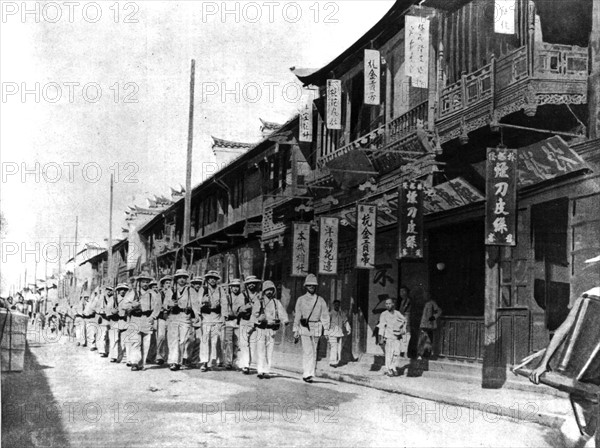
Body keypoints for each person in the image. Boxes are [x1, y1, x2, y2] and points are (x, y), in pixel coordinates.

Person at [529, 288, 600, 444]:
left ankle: (585, 437)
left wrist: (543, 364)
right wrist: (543, 363)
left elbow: (562, 331)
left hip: (579, 372)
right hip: (587, 376)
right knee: (589, 419)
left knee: (588, 417)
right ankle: (586, 437)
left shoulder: (587, 297)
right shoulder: (588, 297)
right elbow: (563, 330)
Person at [293, 274, 330, 383]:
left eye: (313, 285)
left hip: (317, 326)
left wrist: (326, 329)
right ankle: (306, 373)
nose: (311, 287)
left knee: (314, 351)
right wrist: (296, 330)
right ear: (306, 286)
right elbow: (297, 316)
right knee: (307, 351)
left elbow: (325, 315)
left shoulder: (320, 300)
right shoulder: (300, 299)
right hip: (305, 327)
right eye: (309, 285)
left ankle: (310, 373)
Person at [123, 274, 161, 371]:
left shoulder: (153, 293)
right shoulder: (133, 292)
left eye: (147, 282)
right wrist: (132, 305)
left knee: (146, 342)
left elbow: (157, 306)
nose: (145, 284)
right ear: (139, 282)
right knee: (136, 341)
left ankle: (142, 363)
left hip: (147, 318)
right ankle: (135, 362)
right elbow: (124, 304)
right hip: (136, 318)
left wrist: (153, 317)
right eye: (143, 281)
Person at [252, 280, 288, 379]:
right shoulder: (259, 301)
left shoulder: (276, 302)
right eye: (267, 290)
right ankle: (260, 370)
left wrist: (285, 320)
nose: (269, 292)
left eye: (271, 290)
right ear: (263, 291)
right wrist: (259, 318)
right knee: (261, 350)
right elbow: (254, 315)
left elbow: (282, 313)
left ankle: (266, 370)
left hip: (271, 328)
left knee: (270, 350)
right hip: (261, 328)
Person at [165, 269, 194, 371]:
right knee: (173, 339)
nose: (182, 280)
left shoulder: (190, 290)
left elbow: (195, 304)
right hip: (173, 315)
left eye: (184, 278)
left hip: (185, 315)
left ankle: (180, 361)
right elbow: (165, 305)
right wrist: (170, 304)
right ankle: (173, 361)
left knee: (184, 340)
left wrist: (197, 316)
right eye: (179, 277)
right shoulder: (170, 290)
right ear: (176, 279)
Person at [199, 270, 227, 371]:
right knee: (205, 340)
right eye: (210, 278)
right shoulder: (203, 289)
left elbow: (224, 303)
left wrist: (224, 316)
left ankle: (211, 361)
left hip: (217, 318)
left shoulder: (220, 290)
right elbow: (197, 303)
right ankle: (204, 362)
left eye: (214, 278)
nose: (212, 280)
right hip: (206, 317)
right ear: (207, 279)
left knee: (214, 341)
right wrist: (203, 301)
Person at [377, 298, 407, 377]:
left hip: (396, 337)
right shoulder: (384, 314)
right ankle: (388, 369)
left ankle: (393, 367)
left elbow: (404, 320)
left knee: (396, 353)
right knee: (389, 354)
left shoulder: (397, 313)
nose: (387, 305)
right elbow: (382, 326)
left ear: (393, 304)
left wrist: (402, 328)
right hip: (388, 337)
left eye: (389, 303)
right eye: (386, 304)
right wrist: (381, 337)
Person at [237, 275, 261, 374]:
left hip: (255, 322)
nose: (252, 285)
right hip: (244, 321)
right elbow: (237, 309)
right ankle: (245, 365)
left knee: (253, 344)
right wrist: (245, 307)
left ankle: (248, 363)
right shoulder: (242, 295)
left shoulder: (260, 295)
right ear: (246, 285)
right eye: (249, 283)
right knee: (244, 344)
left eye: (253, 283)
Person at [223, 278, 243, 370]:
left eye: (237, 286)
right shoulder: (227, 296)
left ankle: (235, 362)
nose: (235, 288)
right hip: (229, 322)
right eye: (234, 286)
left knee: (237, 343)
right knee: (228, 342)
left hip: (239, 321)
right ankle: (228, 362)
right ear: (231, 287)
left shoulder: (242, 296)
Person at [108, 283, 129, 363]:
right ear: (118, 290)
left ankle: (120, 356)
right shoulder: (113, 299)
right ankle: (113, 356)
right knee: (114, 339)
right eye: (121, 289)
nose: (123, 291)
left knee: (124, 340)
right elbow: (107, 310)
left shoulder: (128, 299)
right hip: (115, 320)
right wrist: (112, 311)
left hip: (124, 320)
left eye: (124, 290)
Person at [327, 299, 351, 367]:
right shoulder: (331, 313)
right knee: (334, 347)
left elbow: (345, 321)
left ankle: (338, 361)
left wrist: (348, 328)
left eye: (338, 305)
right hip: (332, 333)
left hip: (339, 333)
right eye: (335, 305)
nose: (337, 306)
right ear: (333, 305)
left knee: (339, 347)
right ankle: (332, 362)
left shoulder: (341, 313)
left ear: (339, 305)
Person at [155, 275, 172, 365]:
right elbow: (156, 305)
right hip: (161, 317)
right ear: (163, 284)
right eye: (166, 283)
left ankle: (168, 356)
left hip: (171, 317)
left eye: (170, 283)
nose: (168, 285)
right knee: (161, 336)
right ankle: (159, 355)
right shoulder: (160, 293)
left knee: (170, 337)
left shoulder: (174, 292)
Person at [96, 286, 113, 358]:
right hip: (103, 319)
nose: (109, 291)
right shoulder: (101, 298)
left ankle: (108, 350)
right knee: (102, 335)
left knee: (109, 336)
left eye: (110, 290)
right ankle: (102, 351)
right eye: (107, 290)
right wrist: (101, 312)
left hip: (110, 319)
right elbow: (96, 308)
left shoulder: (113, 298)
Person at [398, 286, 412, 358]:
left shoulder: (408, 300)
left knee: (406, 335)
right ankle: (402, 351)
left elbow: (404, 310)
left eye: (403, 291)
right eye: (401, 291)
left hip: (407, 318)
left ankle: (406, 352)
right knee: (402, 335)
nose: (402, 293)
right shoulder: (402, 301)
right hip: (402, 318)